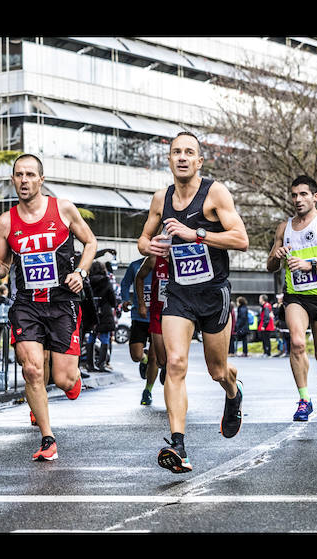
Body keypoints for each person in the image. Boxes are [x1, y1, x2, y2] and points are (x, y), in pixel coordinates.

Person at [138, 131, 249, 474]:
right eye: (176, 152)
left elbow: (241, 239)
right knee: (175, 363)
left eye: (189, 152)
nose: (182, 157)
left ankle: (233, 393)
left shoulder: (214, 193)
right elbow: (143, 238)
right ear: (169, 160)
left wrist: (196, 234)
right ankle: (178, 445)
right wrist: (150, 247)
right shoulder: (161, 198)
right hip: (179, 294)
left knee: (218, 370)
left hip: (213, 294)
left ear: (199, 161)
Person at [0, 153, 97, 462]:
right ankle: (48, 438)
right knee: (33, 370)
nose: (24, 180)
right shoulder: (7, 221)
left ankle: (72, 383)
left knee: (63, 379)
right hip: (28, 304)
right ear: (13, 180)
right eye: (19, 175)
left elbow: (90, 242)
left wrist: (81, 273)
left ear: (41, 179)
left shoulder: (62, 209)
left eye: (30, 175)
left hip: (62, 302)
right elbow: (5, 263)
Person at [266, 175, 317, 429]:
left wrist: (310, 264)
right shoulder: (284, 228)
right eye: (294, 195)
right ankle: (304, 399)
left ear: (315, 196)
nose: (298, 199)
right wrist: (276, 254)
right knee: (297, 342)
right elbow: (271, 266)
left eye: (303, 194)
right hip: (296, 295)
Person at [136, 253, 169, 404]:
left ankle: (148, 391)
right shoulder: (154, 259)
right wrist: (142, 303)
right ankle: (164, 367)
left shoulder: (185, 256)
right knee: (157, 359)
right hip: (158, 312)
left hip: (179, 312)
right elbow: (139, 277)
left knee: (176, 359)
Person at [120, 256, 155, 382]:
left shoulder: (164, 263)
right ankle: (144, 359)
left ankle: (148, 390)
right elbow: (125, 283)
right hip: (139, 316)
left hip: (158, 317)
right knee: (136, 356)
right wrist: (125, 300)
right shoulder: (135, 265)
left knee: (156, 358)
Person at [89, 261, 117, 373]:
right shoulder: (106, 281)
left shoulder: (88, 281)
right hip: (105, 312)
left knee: (91, 337)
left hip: (91, 311)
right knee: (105, 338)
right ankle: (101, 364)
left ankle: (90, 365)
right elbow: (112, 299)